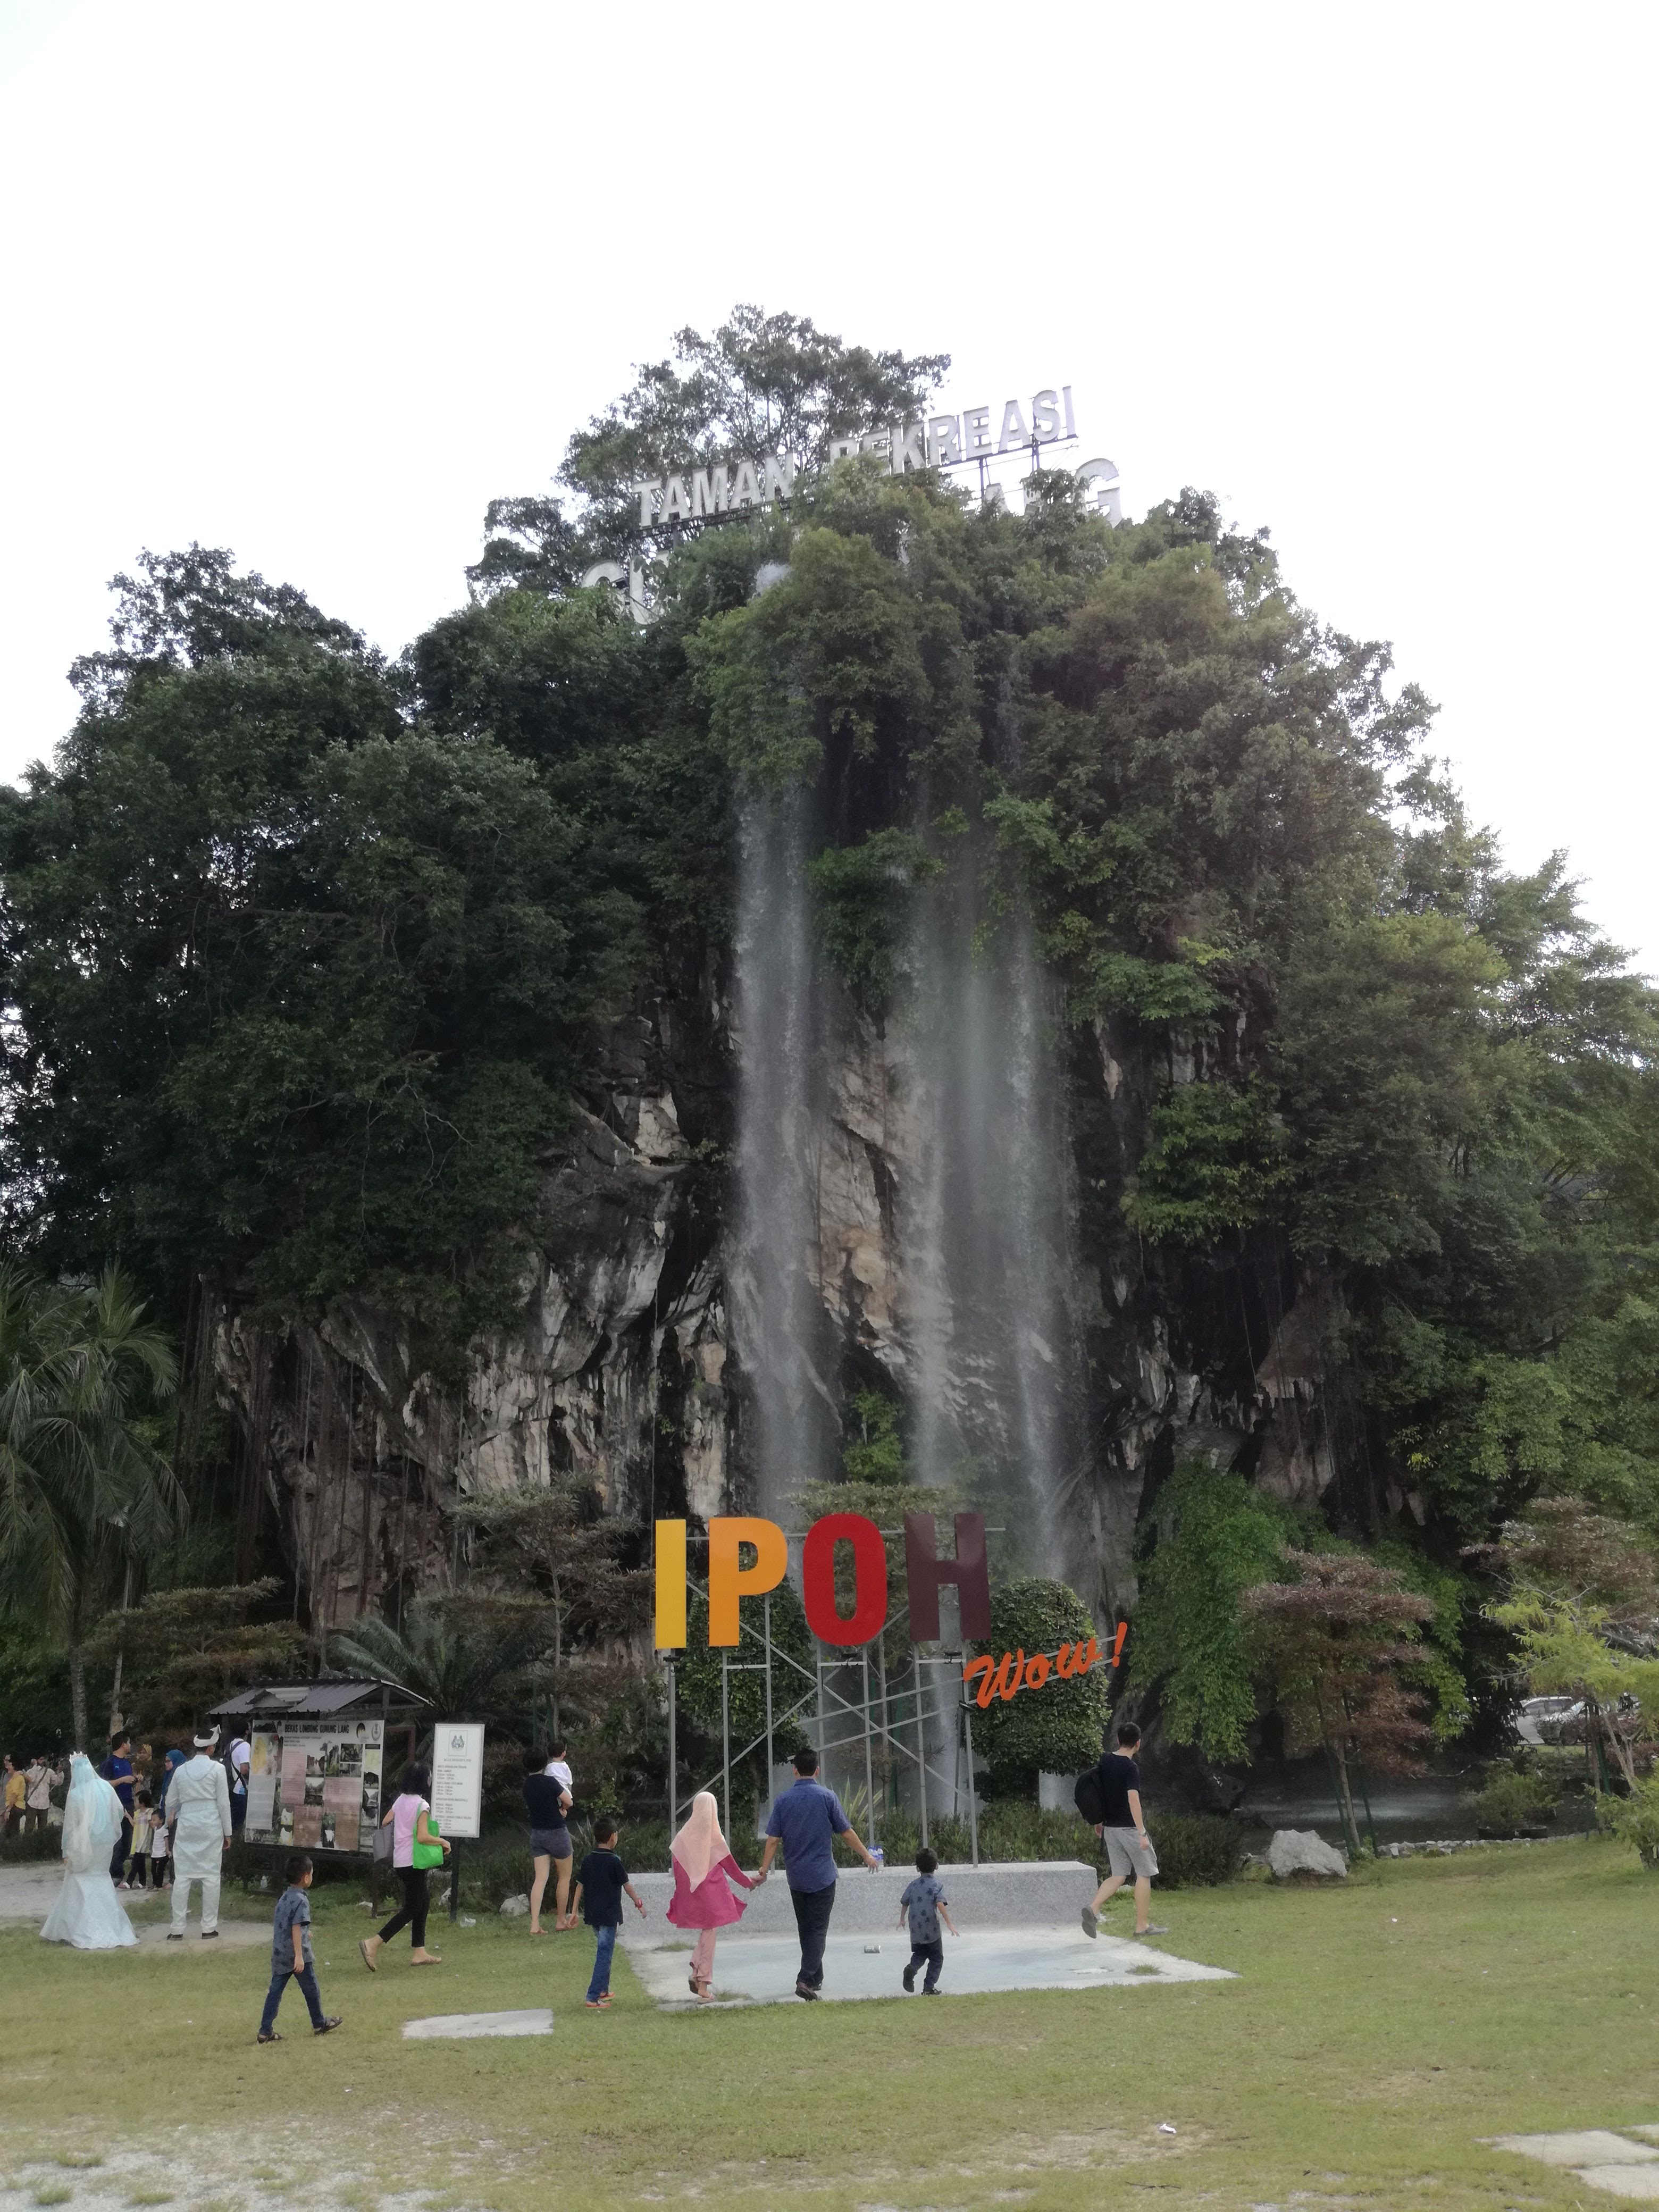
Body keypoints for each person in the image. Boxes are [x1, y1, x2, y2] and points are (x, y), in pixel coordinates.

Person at [756, 1746, 879, 2001]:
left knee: (806, 1928)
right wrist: (866, 1855)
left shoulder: (783, 1801)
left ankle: (815, 1978)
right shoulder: (827, 1797)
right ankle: (804, 1979)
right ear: (817, 1770)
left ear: (794, 1771)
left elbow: (772, 1840)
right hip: (823, 1876)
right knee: (818, 1930)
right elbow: (846, 1833)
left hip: (797, 1877)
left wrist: (764, 1870)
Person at [39, 1754, 138, 1949]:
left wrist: (66, 1850)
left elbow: (70, 1826)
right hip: (104, 1843)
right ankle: (110, 1924)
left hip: (85, 1844)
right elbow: (119, 1811)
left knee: (79, 1880)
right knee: (101, 1879)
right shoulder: (105, 1788)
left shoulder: (76, 1795)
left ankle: (78, 1926)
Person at [667, 1790, 756, 2001]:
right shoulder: (714, 1836)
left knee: (708, 1931)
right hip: (712, 1892)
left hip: (690, 1893)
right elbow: (731, 1868)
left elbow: (678, 1872)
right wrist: (749, 1883)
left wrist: (681, 1895)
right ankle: (703, 1983)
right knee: (710, 1931)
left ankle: (697, 1971)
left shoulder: (682, 1837)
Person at [1082, 1721, 1167, 1940]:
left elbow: (1098, 1793)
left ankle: (1093, 1909)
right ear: (1138, 1743)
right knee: (1145, 1873)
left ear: (1119, 1740)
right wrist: (1141, 1833)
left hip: (1109, 1828)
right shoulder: (1130, 1768)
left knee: (1119, 1875)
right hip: (1129, 1829)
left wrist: (1098, 1821)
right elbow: (1133, 1800)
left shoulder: (1106, 1761)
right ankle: (1142, 1925)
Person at [358, 1763, 448, 1970]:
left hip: (400, 1861)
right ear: (424, 1781)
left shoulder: (400, 1800)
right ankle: (373, 1943)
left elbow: (386, 1821)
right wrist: (443, 1842)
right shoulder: (422, 1805)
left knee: (422, 1901)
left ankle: (420, 1951)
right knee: (412, 1908)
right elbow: (424, 1836)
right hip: (414, 1862)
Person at [257, 1853, 342, 2043]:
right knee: (311, 1988)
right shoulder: (302, 1900)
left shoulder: (284, 1898)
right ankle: (319, 2023)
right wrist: (299, 1956)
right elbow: (296, 1927)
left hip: (279, 1953)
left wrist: (306, 1932)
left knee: (275, 1992)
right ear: (306, 1877)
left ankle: (265, 2031)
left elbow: (288, 1925)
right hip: (296, 1955)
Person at [164, 1723, 233, 1939]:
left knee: (183, 1877)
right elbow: (224, 1803)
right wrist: (228, 1832)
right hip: (211, 1824)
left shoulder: (181, 1770)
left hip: (187, 1824)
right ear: (211, 1748)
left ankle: (177, 1929)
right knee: (211, 1876)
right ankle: (208, 1927)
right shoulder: (218, 1769)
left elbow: (170, 1800)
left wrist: (170, 1817)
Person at [571, 1813, 644, 2010]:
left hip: (594, 1916)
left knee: (606, 1951)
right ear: (613, 1836)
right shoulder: (614, 1862)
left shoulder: (588, 1860)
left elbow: (579, 1886)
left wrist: (574, 1912)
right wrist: (638, 1903)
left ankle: (603, 1990)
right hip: (609, 1916)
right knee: (604, 1954)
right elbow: (627, 1886)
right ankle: (593, 1997)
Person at [521, 1747, 572, 1937]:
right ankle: (561, 1921)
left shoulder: (527, 1786)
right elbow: (569, 1800)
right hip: (557, 1832)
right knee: (564, 1877)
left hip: (537, 1834)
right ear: (545, 1763)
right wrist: (564, 1809)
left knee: (540, 1879)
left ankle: (535, 1924)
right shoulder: (550, 1782)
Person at [897, 1846, 958, 1995]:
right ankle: (929, 1987)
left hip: (916, 1930)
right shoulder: (937, 1885)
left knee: (920, 1954)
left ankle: (911, 1968)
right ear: (937, 1866)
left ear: (918, 1868)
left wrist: (902, 1919)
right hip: (931, 1930)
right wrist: (949, 1923)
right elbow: (940, 1903)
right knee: (937, 1958)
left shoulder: (913, 1885)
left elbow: (905, 1902)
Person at [98, 1730, 136, 1886]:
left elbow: (128, 1782)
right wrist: (121, 1780)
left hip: (128, 1804)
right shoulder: (109, 1763)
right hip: (114, 1805)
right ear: (123, 1744)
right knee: (117, 1841)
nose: (131, 1745)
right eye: (129, 1742)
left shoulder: (127, 1763)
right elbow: (103, 1784)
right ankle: (115, 1874)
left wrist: (135, 1780)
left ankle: (115, 1868)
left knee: (128, 1842)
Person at [24, 1754, 64, 1836]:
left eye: (43, 1759)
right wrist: (35, 1766)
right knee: (29, 1828)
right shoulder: (30, 1771)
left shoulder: (49, 1772)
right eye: (40, 1759)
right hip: (32, 1803)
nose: (43, 1761)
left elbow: (58, 1782)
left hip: (44, 1804)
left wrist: (60, 1772)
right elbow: (31, 1780)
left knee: (43, 1829)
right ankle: (26, 1845)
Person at [127, 1790, 155, 1889]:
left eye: (136, 1801)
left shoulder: (150, 1812)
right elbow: (135, 1825)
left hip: (144, 1841)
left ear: (142, 1803)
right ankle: (142, 1882)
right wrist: (128, 1816)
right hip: (137, 1841)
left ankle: (129, 1882)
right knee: (141, 1862)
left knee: (135, 1862)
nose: (135, 1803)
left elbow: (152, 1824)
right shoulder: (137, 1813)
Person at [228, 1733, 251, 1836]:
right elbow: (244, 1770)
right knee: (239, 1823)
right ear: (246, 1731)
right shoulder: (245, 1746)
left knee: (232, 1821)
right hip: (241, 1789)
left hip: (232, 1787)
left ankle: (229, 1845)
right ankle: (236, 1845)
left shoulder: (231, 1744)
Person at [149, 1795, 172, 1888]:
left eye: (155, 1820)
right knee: (153, 1869)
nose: (153, 1822)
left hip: (162, 1853)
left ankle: (159, 1884)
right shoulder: (155, 1829)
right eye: (152, 1820)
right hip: (155, 1853)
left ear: (161, 1821)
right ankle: (155, 1883)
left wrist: (167, 1851)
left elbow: (166, 1840)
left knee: (160, 1869)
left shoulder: (164, 1829)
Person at [3, 1755, 23, 1837]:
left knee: (10, 1833)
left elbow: (14, 1795)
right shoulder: (5, 1774)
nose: (6, 1763)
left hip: (14, 1808)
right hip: (5, 1806)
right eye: (5, 1760)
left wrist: (8, 1810)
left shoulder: (18, 1777)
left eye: (9, 1762)